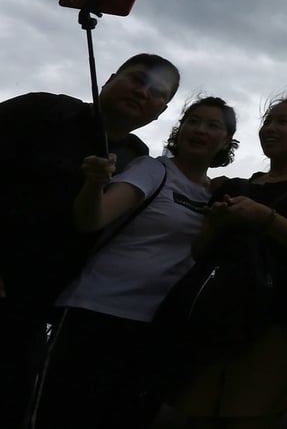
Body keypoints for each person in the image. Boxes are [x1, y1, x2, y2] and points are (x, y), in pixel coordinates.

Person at [32, 96, 238, 429]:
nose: (200, 129)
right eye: (193, 120)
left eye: (213, 125)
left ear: (226, 141)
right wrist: (94, 185)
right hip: (96, 312)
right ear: (180, 128)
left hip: (156, 326)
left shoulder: (213, 196)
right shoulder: (152, 169)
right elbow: (92, 219)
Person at [0, 53, 179, 428]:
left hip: (35, 307)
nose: (142, 92)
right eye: (136, 78)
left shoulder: (136, 159)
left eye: (157, 92)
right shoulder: (42, 109)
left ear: (161, 112)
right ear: (110, 78)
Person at [172, 96, 287, 429]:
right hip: (213, 317)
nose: (271, 129)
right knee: (198, 412)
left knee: (251, 413)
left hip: (274, 319)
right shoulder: (237, 186)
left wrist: (263, 216)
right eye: (268, 121)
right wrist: (215, 223)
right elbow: (199, 251)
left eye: (283, 121)